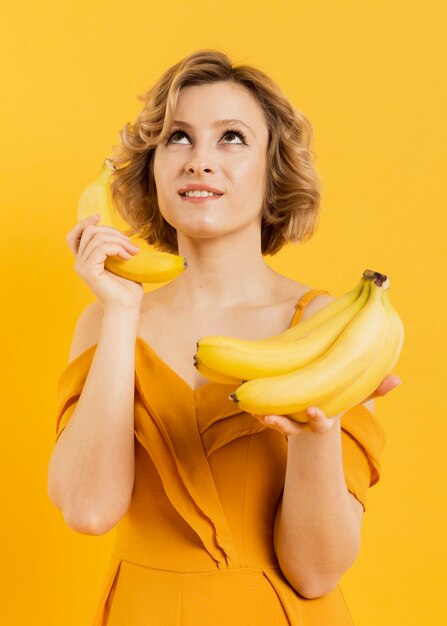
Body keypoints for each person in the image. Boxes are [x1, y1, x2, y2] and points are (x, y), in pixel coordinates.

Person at [47, 49, 400, 625]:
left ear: (273, 169)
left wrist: (320, 432)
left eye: (231, 137)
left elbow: (315, 572)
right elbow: (88, 510)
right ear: (152, 168)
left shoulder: (327, 326)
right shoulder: (106, 320)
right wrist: (118, 313)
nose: (200, 161)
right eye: (178, 138)